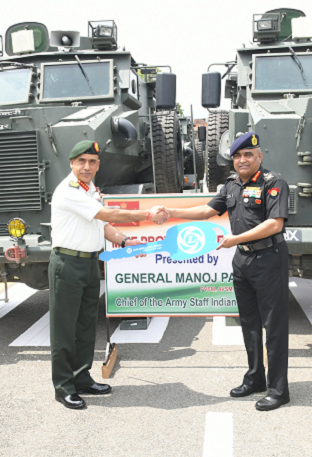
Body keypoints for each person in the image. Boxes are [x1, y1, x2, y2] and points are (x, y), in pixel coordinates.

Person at [157, 132, 290, 411]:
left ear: (259, 157)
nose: (242, 160)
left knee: (274, 326)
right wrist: (171, 211)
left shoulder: (273, 182)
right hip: (242, 262)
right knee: (249, 324)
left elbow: (274, 224)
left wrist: (234, 240)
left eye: (248, 155)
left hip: (269, 259)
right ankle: (255, 378)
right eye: (238, 156)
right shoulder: (230, 185)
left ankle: (278, 389)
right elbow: (206, 212)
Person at [49, 140, 167, 409]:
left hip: (90, 264)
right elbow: (108, 213)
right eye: (81, 161)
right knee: (64, 329)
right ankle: (64, 386)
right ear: (71, 164)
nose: (87, 166)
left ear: (99, 165)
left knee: (85, 326)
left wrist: (125, 242)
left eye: (92, 161)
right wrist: (148, 214)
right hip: (67, 264)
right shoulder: (69, 191)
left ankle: (81, 378)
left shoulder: (90, 190)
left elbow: (103, 225)